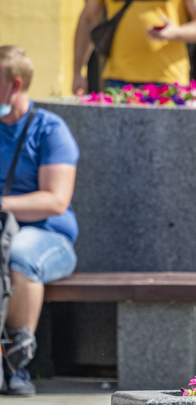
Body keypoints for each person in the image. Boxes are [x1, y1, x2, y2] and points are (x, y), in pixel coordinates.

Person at [0, 46, 79, 396]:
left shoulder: (50, 129)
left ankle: (16, 363)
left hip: (48, 237)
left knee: (19, 256)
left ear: (14, 85)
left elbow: (55, 200)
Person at [72, 0, 196, 93]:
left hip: (169, 82)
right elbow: (88, 19)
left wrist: (176, 32)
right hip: (119, 82)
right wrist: (77, 72)